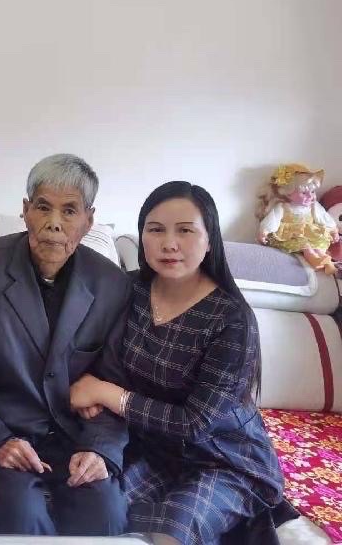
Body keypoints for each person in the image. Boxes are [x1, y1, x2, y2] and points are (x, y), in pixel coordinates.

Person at [70, 181, 295, 545]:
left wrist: (105, 393)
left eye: (186, 231)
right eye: (156, 229)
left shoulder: (232, 320)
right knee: (92, 510)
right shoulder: (129, 290)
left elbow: (194, 424)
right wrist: (88, 395)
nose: (169, 243)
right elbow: (96, 360)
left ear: (210, 240)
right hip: (152, 449)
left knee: (171, 531)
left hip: (223, 458)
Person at [0, 153, 131, 536]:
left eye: (69, 211)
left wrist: (99, 448)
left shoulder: (112, 285)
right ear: (25, 210)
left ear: (89, 220)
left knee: (106, 511)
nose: (54, 223)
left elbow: (116, 380)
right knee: (21, 515)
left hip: (74, 436)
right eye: (43, 207)